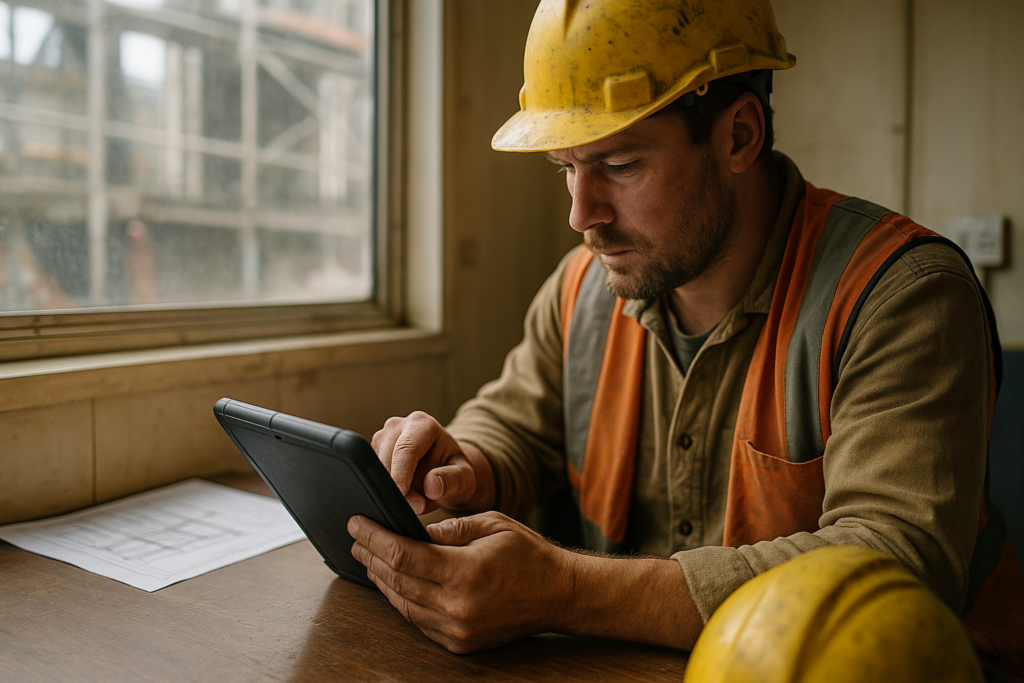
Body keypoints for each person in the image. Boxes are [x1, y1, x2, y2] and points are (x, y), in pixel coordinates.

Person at [346, 0, 1024, 672]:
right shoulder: (583, 287)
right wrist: (461, 467)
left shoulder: (901, 296)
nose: (583, 215)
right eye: (566, 169)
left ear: (738, 136)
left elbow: (891, 563)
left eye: (618, 164)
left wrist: (566, 589)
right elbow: (516, 424)